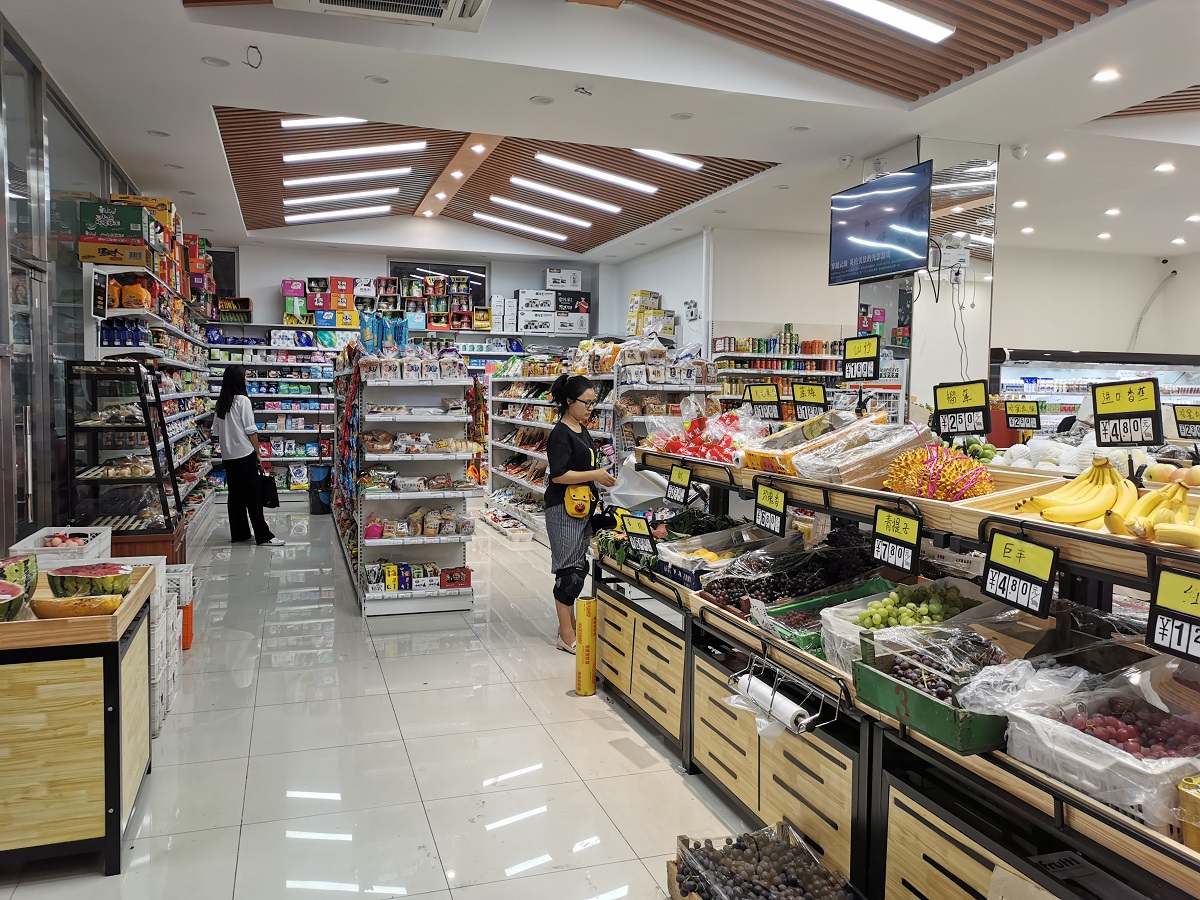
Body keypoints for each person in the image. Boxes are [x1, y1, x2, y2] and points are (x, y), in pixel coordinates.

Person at [545, 373, 615, 653]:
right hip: (563, 508)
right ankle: (565, 636)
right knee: (569, 574)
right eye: (586, 403)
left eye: (593, 403)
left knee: (577, 568)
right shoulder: (560, 434)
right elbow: (559, 475)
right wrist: (595, 474)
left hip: (581, 506)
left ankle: (570, 627)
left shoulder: (580, 429)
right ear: (569, 401)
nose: (590, 408)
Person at [211, 364, 282, 546]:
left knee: (235, 495)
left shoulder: (221, 402)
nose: (247, 379)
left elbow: (216, 431)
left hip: (228, 457)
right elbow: (251, 430)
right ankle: (263, 536)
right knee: (253, 495)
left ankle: (240, 533)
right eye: (245, 376)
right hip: (244, 453)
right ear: (238, 379)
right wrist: (258, 453)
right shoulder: (243, 401)